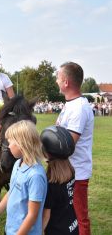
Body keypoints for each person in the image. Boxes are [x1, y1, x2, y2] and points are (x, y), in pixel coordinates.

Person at [0, 120, 47, 234]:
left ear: (22, 144)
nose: (8, 147)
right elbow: (11, 192)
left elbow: (32, 216)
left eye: (10, 142)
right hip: (11, 230)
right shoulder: (18, 164)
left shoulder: (35, 176)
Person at [55, 62, 94, 235]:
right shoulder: (70, 104)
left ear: (66, 82)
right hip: (66, 170)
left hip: (76, 173)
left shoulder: (79, 107)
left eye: (58, 77)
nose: (56, 81)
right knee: (65, 215)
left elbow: (67, 145)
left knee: (79, 218)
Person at [41, 125, 79, 235]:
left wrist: (39, 230)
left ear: (47, 153)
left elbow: (46, 215)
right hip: (72, 225)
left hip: (56, 230)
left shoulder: (51, 182)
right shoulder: (70, 171)